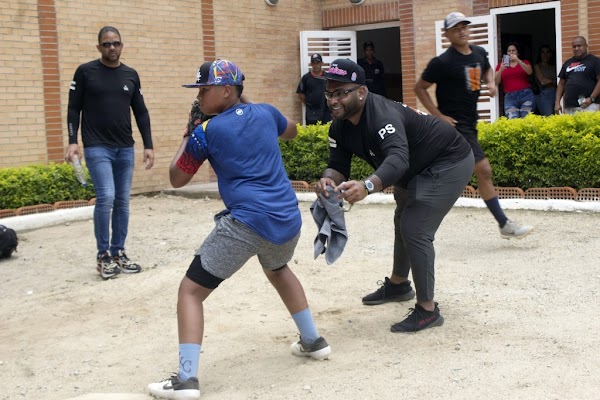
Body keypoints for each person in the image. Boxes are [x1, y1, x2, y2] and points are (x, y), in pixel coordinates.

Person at [147, 60, 331, 400]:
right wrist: (247, 105)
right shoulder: (266, 113)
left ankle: (186, 380)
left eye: (204, 89)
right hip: (287, 219)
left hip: (247, 222)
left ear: (227, 89)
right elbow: (291, 131)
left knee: (190, 291)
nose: (199, 95)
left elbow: (176, 178)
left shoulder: (206, 133)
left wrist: (190, 130)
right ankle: (313, 341)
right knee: (277, 268)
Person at [316, 58, 475, 332]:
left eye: (341, 92)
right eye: (330, 93)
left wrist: (367, 186)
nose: (333, 100)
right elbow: (338, 166)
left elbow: (398, 160)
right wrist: (328, 181)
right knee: (403, 219)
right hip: (414, 168)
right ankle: (399, 285)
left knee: (414, 227)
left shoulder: (382, 117)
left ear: (361, 92)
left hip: (447, 161)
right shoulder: (339, 126)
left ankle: (428, 310)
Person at [415, 12, 533, 241]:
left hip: (470, 121)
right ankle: (504, 224)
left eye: (464, 26)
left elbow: (487, 69)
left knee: (444, 171)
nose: (461, 31)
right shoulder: (442, 62)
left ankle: (416, 212)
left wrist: (490, 84)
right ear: (447, 33)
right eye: (456, 28)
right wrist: (438, 115)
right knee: (484, 170)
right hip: (455, 125)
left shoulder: (478, 53)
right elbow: (419, 87)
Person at [65, 26, 154, 280]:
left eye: (115, 43)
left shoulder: (130, 75)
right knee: (106, 196)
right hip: (97, 146)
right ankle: (103, 255)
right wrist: (73, 141)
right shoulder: (85, 72)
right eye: (106, 44)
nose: (111, 48)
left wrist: (148, 145)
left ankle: (118, 253)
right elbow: (74, 109)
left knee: (122, 201)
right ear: (99, 47)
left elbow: (141, 112)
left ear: (122, 45)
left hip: (125, 147)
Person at [555, 36, 600, 115]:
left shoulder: (595, 61)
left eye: (579, 46)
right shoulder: (568, 63)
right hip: (570, 107)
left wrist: (591, 98)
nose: (576, 48)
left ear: (586, 46)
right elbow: (561, 84)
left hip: (589, 105)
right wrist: (557, 103)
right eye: (574, 47)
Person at [494, 42, 535, 118]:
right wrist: (501, 69)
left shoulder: (524, 62)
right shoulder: (501, 65)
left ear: (517, 52)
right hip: (510, 97)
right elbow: (496, 81)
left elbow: (529, 72)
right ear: (506, 53)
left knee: (526, 119)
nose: (511, 52)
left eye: (513, 50)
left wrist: (518, 60)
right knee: (513, 120)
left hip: (525, 94)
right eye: (509, 51)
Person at [296, 53, 331, 125]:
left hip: (326, 112)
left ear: (322, 63)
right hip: (312, 113)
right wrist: (310, 104)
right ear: (311, 64)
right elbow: (300, 94)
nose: (316, 65)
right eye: (313, 63)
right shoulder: (306, 78)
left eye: (318, 63)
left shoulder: (328, 77)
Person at [533, 44, 558, 116]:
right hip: (544, 94)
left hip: (557, 92)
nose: (545, 55)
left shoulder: (554, 66)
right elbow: (542, 81)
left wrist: (550, 81)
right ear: (540, 54)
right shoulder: (537, 66)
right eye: (543, 52)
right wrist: (554, 81)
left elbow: (560, 81)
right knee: (549, 116)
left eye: (547, 52)